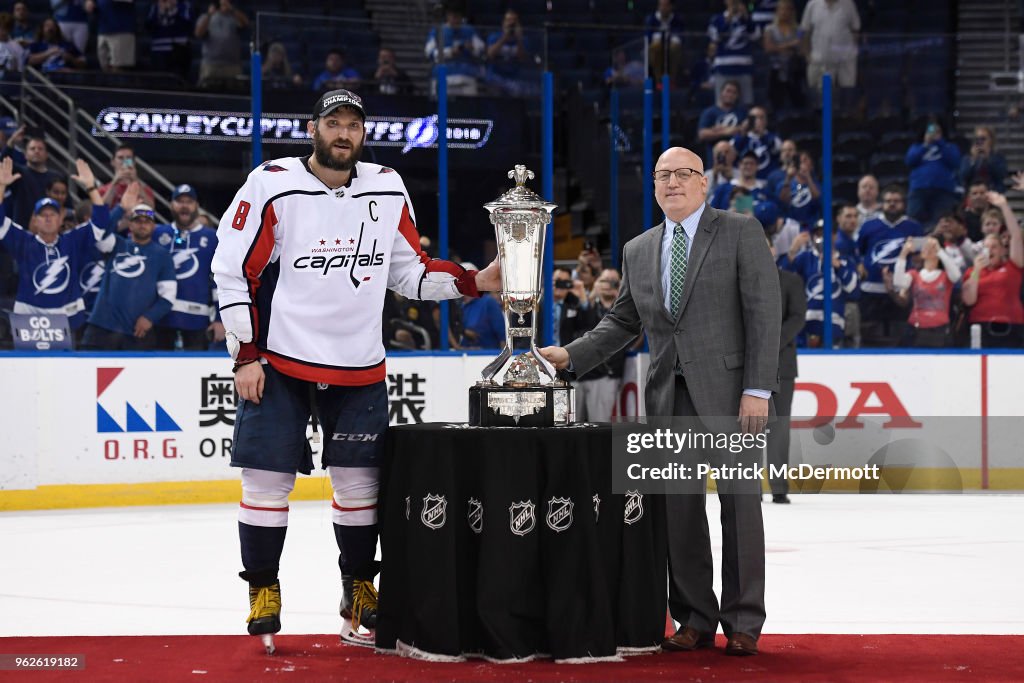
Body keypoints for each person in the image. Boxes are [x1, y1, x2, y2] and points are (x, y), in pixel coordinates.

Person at [210, 89, 501, 651]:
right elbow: (232, 269)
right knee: (267, 481)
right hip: (281, 362)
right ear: (313, 128)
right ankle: (263, 590)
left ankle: (359, 587)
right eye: (333, 123)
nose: (344, 133)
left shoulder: (387, 185)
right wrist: (245, 355)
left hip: (360, 364)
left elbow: (409, 273)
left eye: (353, 125)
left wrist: (473, 281)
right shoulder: (273, 182)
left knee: (360, 485)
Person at [540, 146, 781, 657]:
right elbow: (623, 322)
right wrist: (568, 355)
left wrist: (758, 390)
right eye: (662, 176)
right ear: (653, 186)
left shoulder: (740, 231)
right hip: (668, 398)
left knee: (740, 509)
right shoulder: (638, 248)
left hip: (733, 398)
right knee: (678, 512)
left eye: (682, 174)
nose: (671, 182)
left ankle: (743, 621)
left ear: (702, 183)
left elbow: (764, 315)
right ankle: (694, 617)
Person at [0, 157, 115, 338]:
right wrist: (1, 187)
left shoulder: (72, 241)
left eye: (52, 214)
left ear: (61, 219)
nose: (47, 218)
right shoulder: (23, 241)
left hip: (67, 319)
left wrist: (91, 188)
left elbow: (101, 222)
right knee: (28, 367)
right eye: (42, 215)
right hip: (29, 321)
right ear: (35, 220)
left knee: (68, 367)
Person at [80, 203, 177, 350]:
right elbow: (101, 234)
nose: (142, 225)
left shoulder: (162, 255)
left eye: (147, 221)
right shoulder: (116, 244)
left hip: (137, 331)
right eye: (138, 221)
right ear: (130, 225)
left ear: (154, 226)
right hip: (101, 326)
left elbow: (168, 297)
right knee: (87, 371)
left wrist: (150, 317)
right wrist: (120, 209)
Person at [153, 183, 223, 350]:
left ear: (197, 206)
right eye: (179, 201)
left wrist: (220, 319)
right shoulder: (157, 233)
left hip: (197, 321)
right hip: (159, 319)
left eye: (189, 201)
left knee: (195, 373)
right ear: (171, 205)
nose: (184, 205)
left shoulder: (213, 238)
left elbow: (219, 281)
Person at [765, 232, 805, 503]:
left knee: (778, 429)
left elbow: (797, 317)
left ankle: (779, 486)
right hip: (743, 365)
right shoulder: (736, 282)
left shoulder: (790, 281)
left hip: (781, 364)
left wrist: (768, 344)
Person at [856, 185, 923, 346]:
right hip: (871, 290)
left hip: (900, 291)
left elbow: (919, 257)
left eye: (896, 201)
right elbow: (859, 251)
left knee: (899, 337)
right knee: (869, 336)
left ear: (904, 204)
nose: (892, 204)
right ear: (881, 204)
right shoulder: (868, 226)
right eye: (888, 201)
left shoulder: (914, 227)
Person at [961, 192, 1024, 348]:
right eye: (986, 247)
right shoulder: (972, 271)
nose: (990, 250)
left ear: (1003, 250)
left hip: (1013, 325)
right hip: (981, 325)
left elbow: (1016, 236)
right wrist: (976, 270)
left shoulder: (1013, 266)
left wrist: (1003, 205)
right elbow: (969, 300)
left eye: (994, 247)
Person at [574, 267, 629, 423]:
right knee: (573, 426)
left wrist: (621, 297)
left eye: (613, 282)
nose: (607, 285)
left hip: (605, 375)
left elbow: (630, 335)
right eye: (603, 280)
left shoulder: (625, 309)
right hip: (579, 374)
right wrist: (590, 297)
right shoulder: (585, 305)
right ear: (596, 283)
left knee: (597, 424)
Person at [892, 235, 961, 348]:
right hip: (915, 329)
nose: (927, 249)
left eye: (931, 246)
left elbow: (956, 276)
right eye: (925, 246)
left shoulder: (945, 276)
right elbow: (898, 282)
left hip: (939, 330)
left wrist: (940, 251)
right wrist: (904, 253)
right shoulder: (914, 274)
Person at [800, 0, 860, 108]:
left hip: (845, 60)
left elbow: (855, 29)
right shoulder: (812, 4)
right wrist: (807, 55)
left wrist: (852, 50)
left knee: (847, 96)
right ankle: (823, 122)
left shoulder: (848, 3)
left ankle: (846, 121)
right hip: (820, 59)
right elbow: (805, 31)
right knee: (821, 100)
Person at [905, 120, 960, 229]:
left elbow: (954, 162)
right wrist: (925, 145)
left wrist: (940, 143)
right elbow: (909, 161)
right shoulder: (916, 146)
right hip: (919, 190)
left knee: (942, 222)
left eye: (937, 131)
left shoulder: (950, 147)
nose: (934, 134)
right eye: (930, 131)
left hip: (943, 191)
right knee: (913, 220)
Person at [424, 4, 485, 97]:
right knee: (441, 110)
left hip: (466, 77)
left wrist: (472, 48)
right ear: (447, 16)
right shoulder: (437, 31)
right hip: (443, 77)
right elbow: (430, 53)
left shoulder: (470, 31)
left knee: (469, 109)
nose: (455, 19)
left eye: (458, 16)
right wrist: (450, 52)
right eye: (453, 16)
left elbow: (481, 51)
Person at [4, 136, 63, 230]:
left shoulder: (56, 177)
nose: (36, 151)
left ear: (47, 154)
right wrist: (10, 143)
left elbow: (66, 204)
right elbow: (3, 164)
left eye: (40, 149)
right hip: (21, 231)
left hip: (50, 231)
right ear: (25, 154)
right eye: (32, 148)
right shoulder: (18, 173)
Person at [708, 0, 759, 105]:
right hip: (724, 66)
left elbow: (755, 35)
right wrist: (728, 20)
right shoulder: (717, 19)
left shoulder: (746, 19)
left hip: (744, 66)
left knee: (746, 103)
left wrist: (746, 18)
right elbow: (715, 37)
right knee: (722, 103)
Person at [762, 0, 805, 112]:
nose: (784, 12)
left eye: (787, 9)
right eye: (782, 9)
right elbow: (768, 48)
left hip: (794, 69)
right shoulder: (769, 29)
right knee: (775, 102)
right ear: (777, 11)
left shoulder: (799, 29)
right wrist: (790, 45)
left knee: (798, 100)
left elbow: (800, 45)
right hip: (775, 69)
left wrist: (779, 47)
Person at [195, 0, 248, 89]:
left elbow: (245, 23)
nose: (223, 5)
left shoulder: (235, 17)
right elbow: (198, 34)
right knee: (207, 96)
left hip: (232, 66)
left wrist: (232, 10)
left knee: (234, 96)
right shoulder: (206, 17)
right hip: (211, 65)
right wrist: (209, 15)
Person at [485, 9, 535, 97]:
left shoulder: (524, 40)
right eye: (508, 20)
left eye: (514, 21)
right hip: (495, 78)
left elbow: (522, 58)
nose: (511, 24)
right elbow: (490, 55)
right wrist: (505, 37)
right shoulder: (494, 36)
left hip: (514, 79)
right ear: (503, 23)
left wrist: (519, 39)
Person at [697, 80, 746, 166]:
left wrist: (716, 130)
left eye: (734, 92)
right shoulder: (709, 112)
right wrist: (727, 131)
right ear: (721, 93)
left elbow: (744, 130)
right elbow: (702, 134)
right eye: (728, 91)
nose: (730, 95)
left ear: (737, 96)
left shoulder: (741, 112)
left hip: (737, 160)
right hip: (714, 159)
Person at [98, 144, 156, 217]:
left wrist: (135, 181)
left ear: (134, 162)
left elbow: (151, 211)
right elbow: (99, 213)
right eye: (120, 158)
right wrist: (114, 183)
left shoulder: (145, 189)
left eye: (128, 158)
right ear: (113, 162)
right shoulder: (103, 190)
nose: (125, 161)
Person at [145, 0, 195, 80]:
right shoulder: (155, 6)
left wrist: (173, 10)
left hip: (178, 50)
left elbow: (187, 23)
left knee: (177, 80)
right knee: (158, 80)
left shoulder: (184, 5)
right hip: (158, 50)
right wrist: (161, 11)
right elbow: (149, 25)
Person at [731, 107, 782, 180]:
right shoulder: (741, 137)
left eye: (761, 117)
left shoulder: (774, 137)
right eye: (754, 118)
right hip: (745, 181)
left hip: (767, 181)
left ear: (766, 120)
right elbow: (731, 153)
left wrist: (762, 134)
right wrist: (742, 132)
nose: (758, 120)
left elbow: (777, 149)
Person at [85, 0, 137, 72]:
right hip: (103, 30)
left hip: (121, 31)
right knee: (104, 67)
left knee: (118, 67)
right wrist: (90, 3)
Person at [646, 0, 685, 85]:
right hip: (656, 51)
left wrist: (664, 38)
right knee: (656, 46)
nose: (663, 8)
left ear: (671, 7)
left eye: (665, 5)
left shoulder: (677, 19)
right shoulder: (651, 19)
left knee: (675, 46)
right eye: (661, 5)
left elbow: (679, 37)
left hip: (671, 50)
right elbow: (648, 38)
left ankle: (672, 80)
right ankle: (659, 81)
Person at [959, 126, 1007, 194]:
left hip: (993, 192)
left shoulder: (998, 157)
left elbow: (1001, 175)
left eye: (983, 139)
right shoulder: (968, 158)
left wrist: (989, 158)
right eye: (977, 139)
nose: (980, 141)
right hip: (974, 194)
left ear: (991, 140)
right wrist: (973, 160)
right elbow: (963, 177)